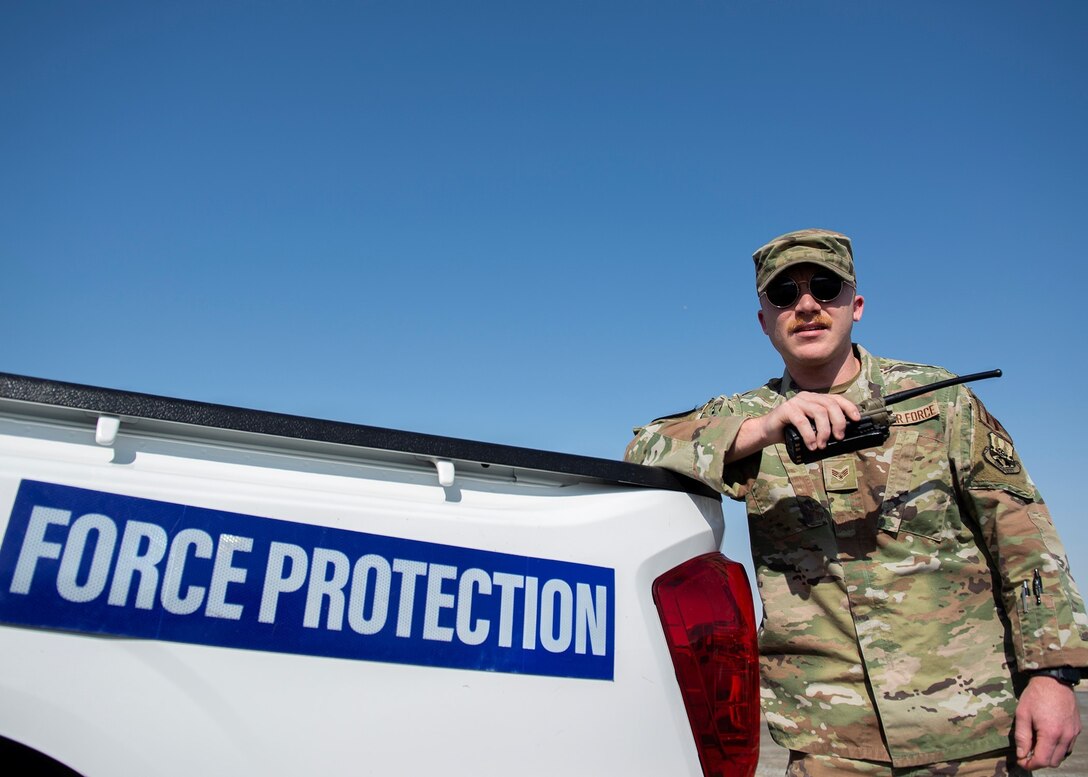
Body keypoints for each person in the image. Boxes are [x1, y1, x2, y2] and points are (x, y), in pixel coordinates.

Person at [624, 229, 1088, 776]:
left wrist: (1052, 675)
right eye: (783, 295)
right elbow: (642, 446)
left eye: (825, 286)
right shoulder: (747, 415)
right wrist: (760, 430)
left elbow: (1024, 538)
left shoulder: (940, 400)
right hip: (830, 743)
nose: (806, 305)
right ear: (764, 321)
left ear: (856, 305)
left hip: (971, 731)